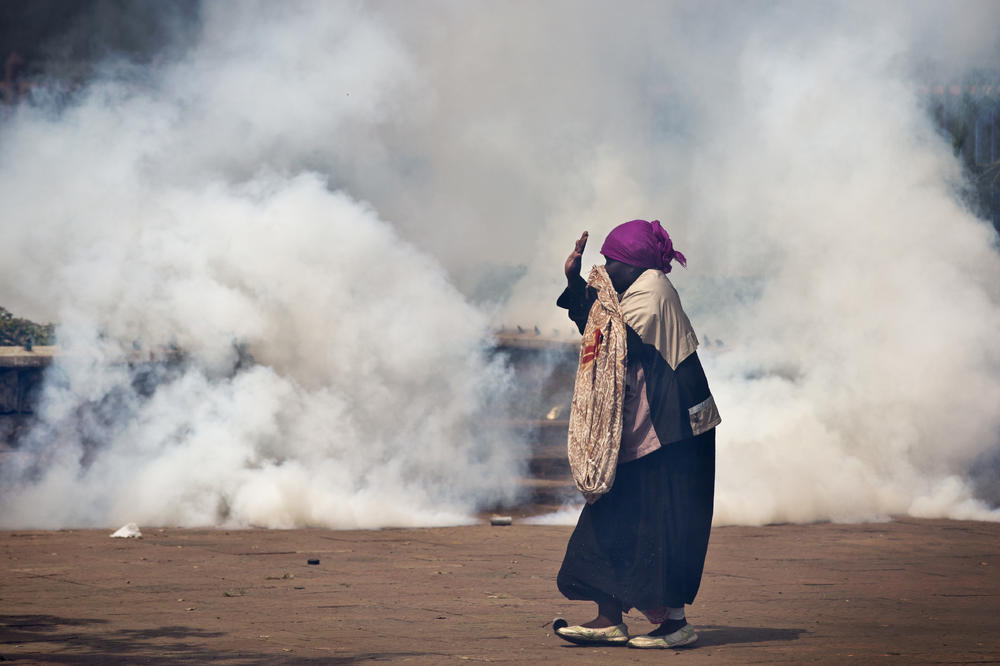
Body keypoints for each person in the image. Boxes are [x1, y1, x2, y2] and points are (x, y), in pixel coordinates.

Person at [553, 220, 721, 649]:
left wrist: (586, 289)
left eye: (612, 260)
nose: (605, 267)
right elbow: (599, 332)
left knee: (666, 524)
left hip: (674, 434)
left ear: (634, 262)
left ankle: (674, 625)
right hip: (645, 431)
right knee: (614, 515)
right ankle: (608, 618)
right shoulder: (631, 292)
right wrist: (575, 280)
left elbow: (610, 335)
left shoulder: (652, 292)